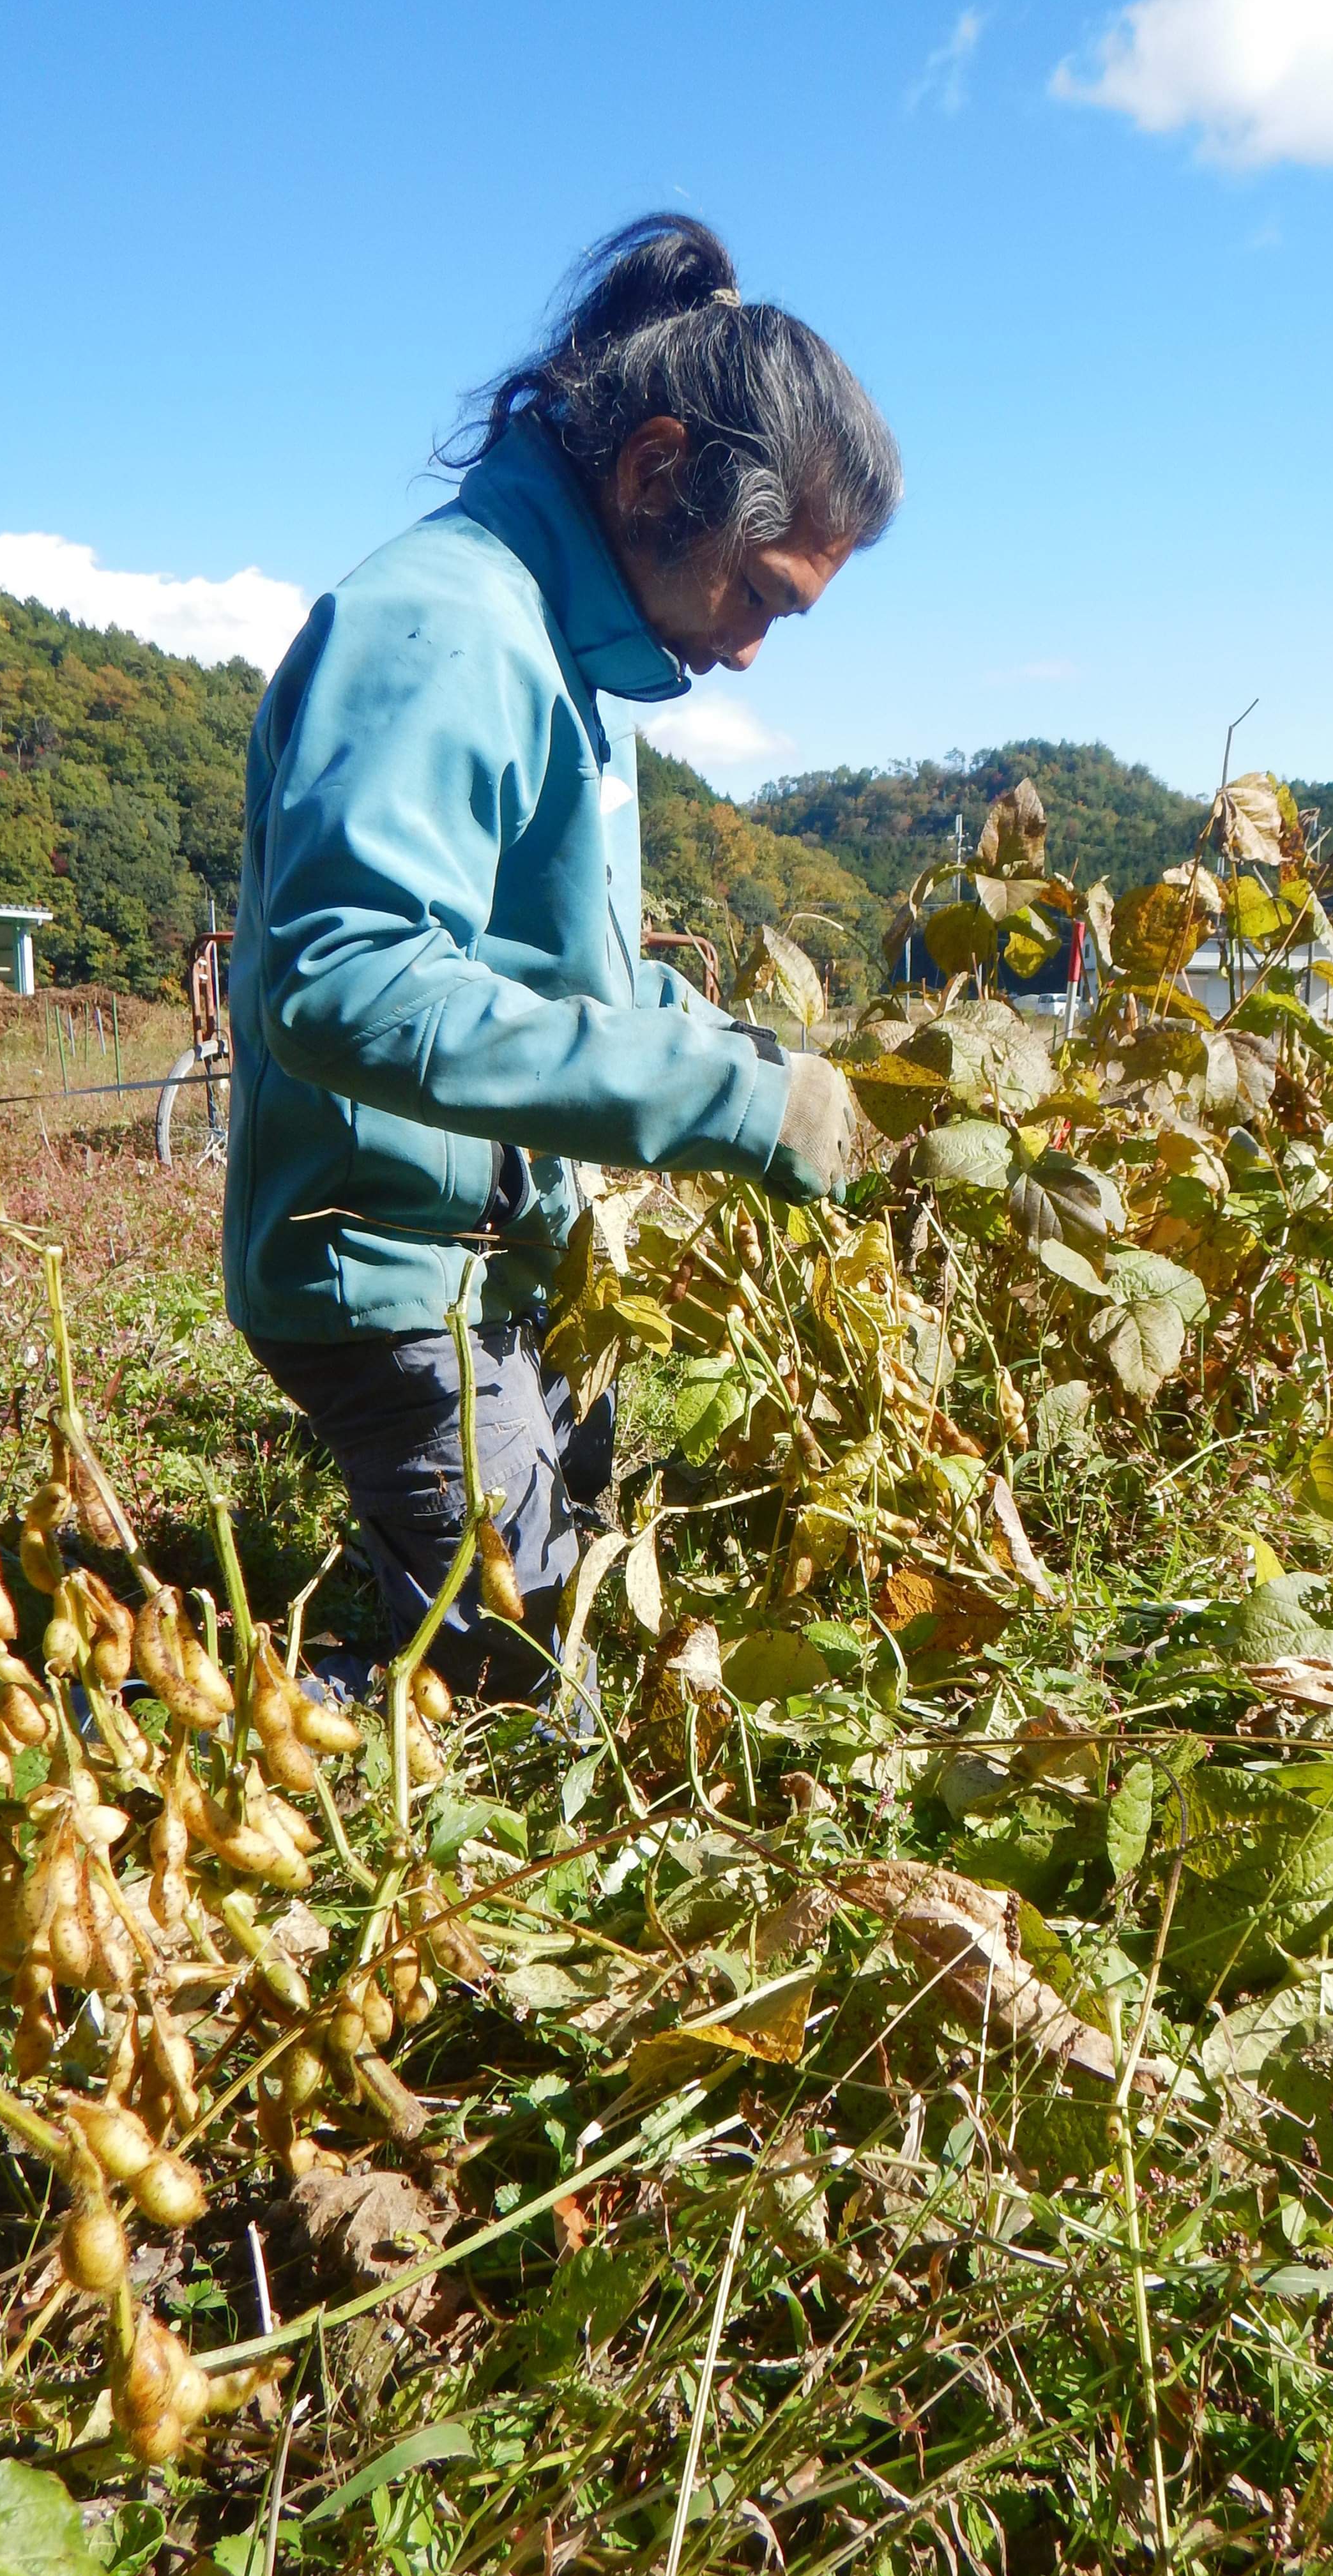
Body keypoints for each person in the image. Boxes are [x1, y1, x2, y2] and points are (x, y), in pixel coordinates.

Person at [223, 215, 899, 1702]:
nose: (750, 649)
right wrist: (728, 1103)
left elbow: (562, 980)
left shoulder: (561, 657)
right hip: (394, 1264)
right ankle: (79, 1737)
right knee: (525, 1705)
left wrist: (759, 1063)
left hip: (496, 1247)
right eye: (761, 592)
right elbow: (343, 978)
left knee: (579, 1603)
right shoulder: (448, 630)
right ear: (657, 472)